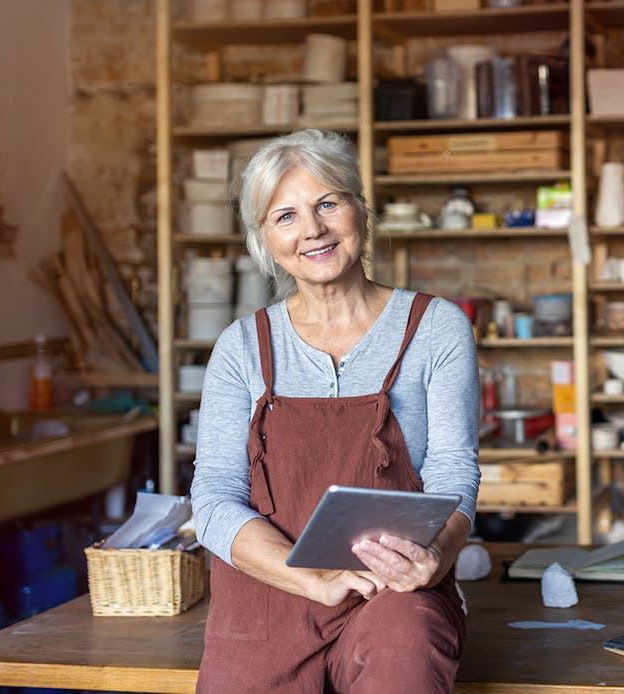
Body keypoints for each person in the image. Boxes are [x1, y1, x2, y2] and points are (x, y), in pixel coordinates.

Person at [190, 129, 480, 693]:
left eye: (328, 203)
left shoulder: (436, 328)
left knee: (407, 651)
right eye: (285, 216)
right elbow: (213, 498)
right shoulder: (241, 346)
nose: (313, 230)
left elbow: (453, 471)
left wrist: (437, 556)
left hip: (392, 591)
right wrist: (310, 577)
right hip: (269, 592)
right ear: (264, 239)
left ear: (361, 211)